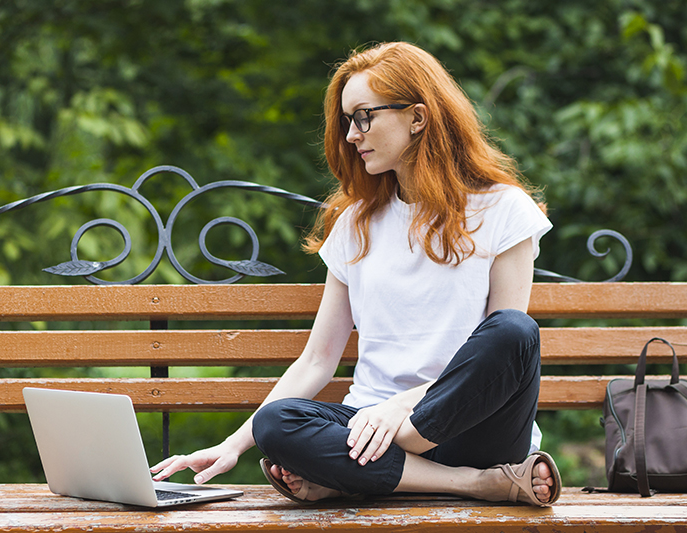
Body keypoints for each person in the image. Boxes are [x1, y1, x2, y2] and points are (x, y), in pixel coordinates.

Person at [151, 41, 561, 506]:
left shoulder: (504, 210)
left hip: (473, 429)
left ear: (417, 118)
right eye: (347, 120)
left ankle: (351, 473)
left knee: (515, 330)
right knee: (275, 424)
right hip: (369, 428)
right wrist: (233, 445)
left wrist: (399, 410)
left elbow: (500, 358)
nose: (351, 134)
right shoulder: (355, 223)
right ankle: (476, 483)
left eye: (363, 116)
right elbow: (316, 361)